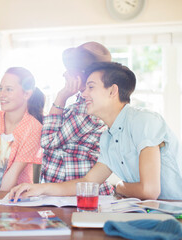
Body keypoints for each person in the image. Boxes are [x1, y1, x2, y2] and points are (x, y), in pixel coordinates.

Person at [9, 62, 182, 201]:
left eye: (91, 87)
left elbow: (149, 190)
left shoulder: (144, 121)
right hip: (154, 211)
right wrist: (38, 188)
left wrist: (120, 186)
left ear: (113, 91)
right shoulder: (108, 137)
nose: (83, 94)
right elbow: (87, 182)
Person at [40, 42, 113, 195]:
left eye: (68, 70)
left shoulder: (87, 111)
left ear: (78, 75)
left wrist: (61, 96)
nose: (64, 74)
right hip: (65, 194)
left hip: (81, 196)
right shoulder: (79, 104)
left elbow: (48, 141)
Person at [0, 67, 45, 191]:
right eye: (1, 88)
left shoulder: (34, 128)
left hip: (17, 197)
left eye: (9, 89)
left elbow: (13, 173)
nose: (1, 94)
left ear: (27, 94)